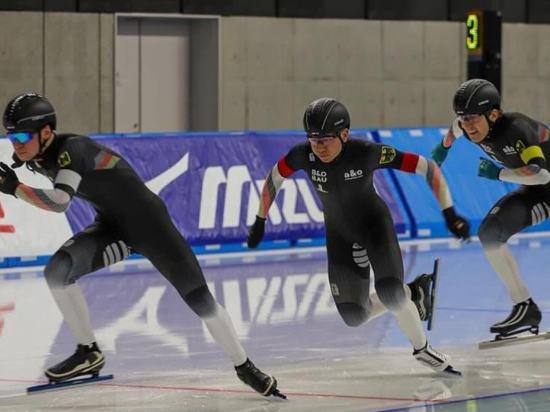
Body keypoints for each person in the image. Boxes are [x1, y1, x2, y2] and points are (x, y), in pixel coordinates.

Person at [0, 93, 282, 397]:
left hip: (151, 226)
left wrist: (15, 188)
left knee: (200, 300)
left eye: (23, 135)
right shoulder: (38, 156)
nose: (16, 143)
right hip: (113, 227)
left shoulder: (71, 150)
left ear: (46, 132)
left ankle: (244, 366)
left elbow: (60, 202)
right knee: (57, 271)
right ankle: (88, 352)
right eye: (11, 136)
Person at [247, 97, 470, 374]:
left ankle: (422, 349)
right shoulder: (302, 155)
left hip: (374, 227)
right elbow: (274, 177)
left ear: (344, 134)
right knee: (354, 316)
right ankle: (416, 290)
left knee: (389, 291)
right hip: (340, 235)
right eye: (313, 139)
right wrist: (260, 220)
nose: (319, 147)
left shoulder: (366, 152)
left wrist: (449, 213)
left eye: (326, 139)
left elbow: (427, 167)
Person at [431, 78, 548, 339]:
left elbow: (541, 174)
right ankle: (524, 306)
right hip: (538, 194)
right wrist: (444, 147)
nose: (467, 124)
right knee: (490, 233)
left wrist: (499, 174)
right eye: (463, 117)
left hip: (541, 183)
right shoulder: (469, 125)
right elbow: (455, 129)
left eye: (472, 117)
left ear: (493, 114)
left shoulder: (517, 128)